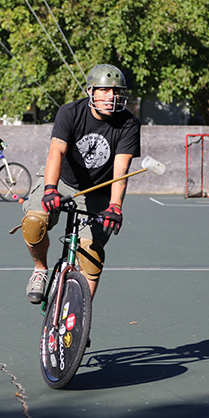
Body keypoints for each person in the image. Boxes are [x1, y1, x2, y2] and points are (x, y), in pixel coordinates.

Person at [21, 63, 141, 304]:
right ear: (90, 91)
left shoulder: (129, 124)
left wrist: (115, 206)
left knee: (91, 254)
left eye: (117, 92)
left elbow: (121, 169)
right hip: (62, 182)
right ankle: (40, 270)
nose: (111, 97)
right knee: (34, 222)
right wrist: (50, 189)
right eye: (105, 90)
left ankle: (79, 313)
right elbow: (56, 151)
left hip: (98, 191)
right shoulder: (70, 112)